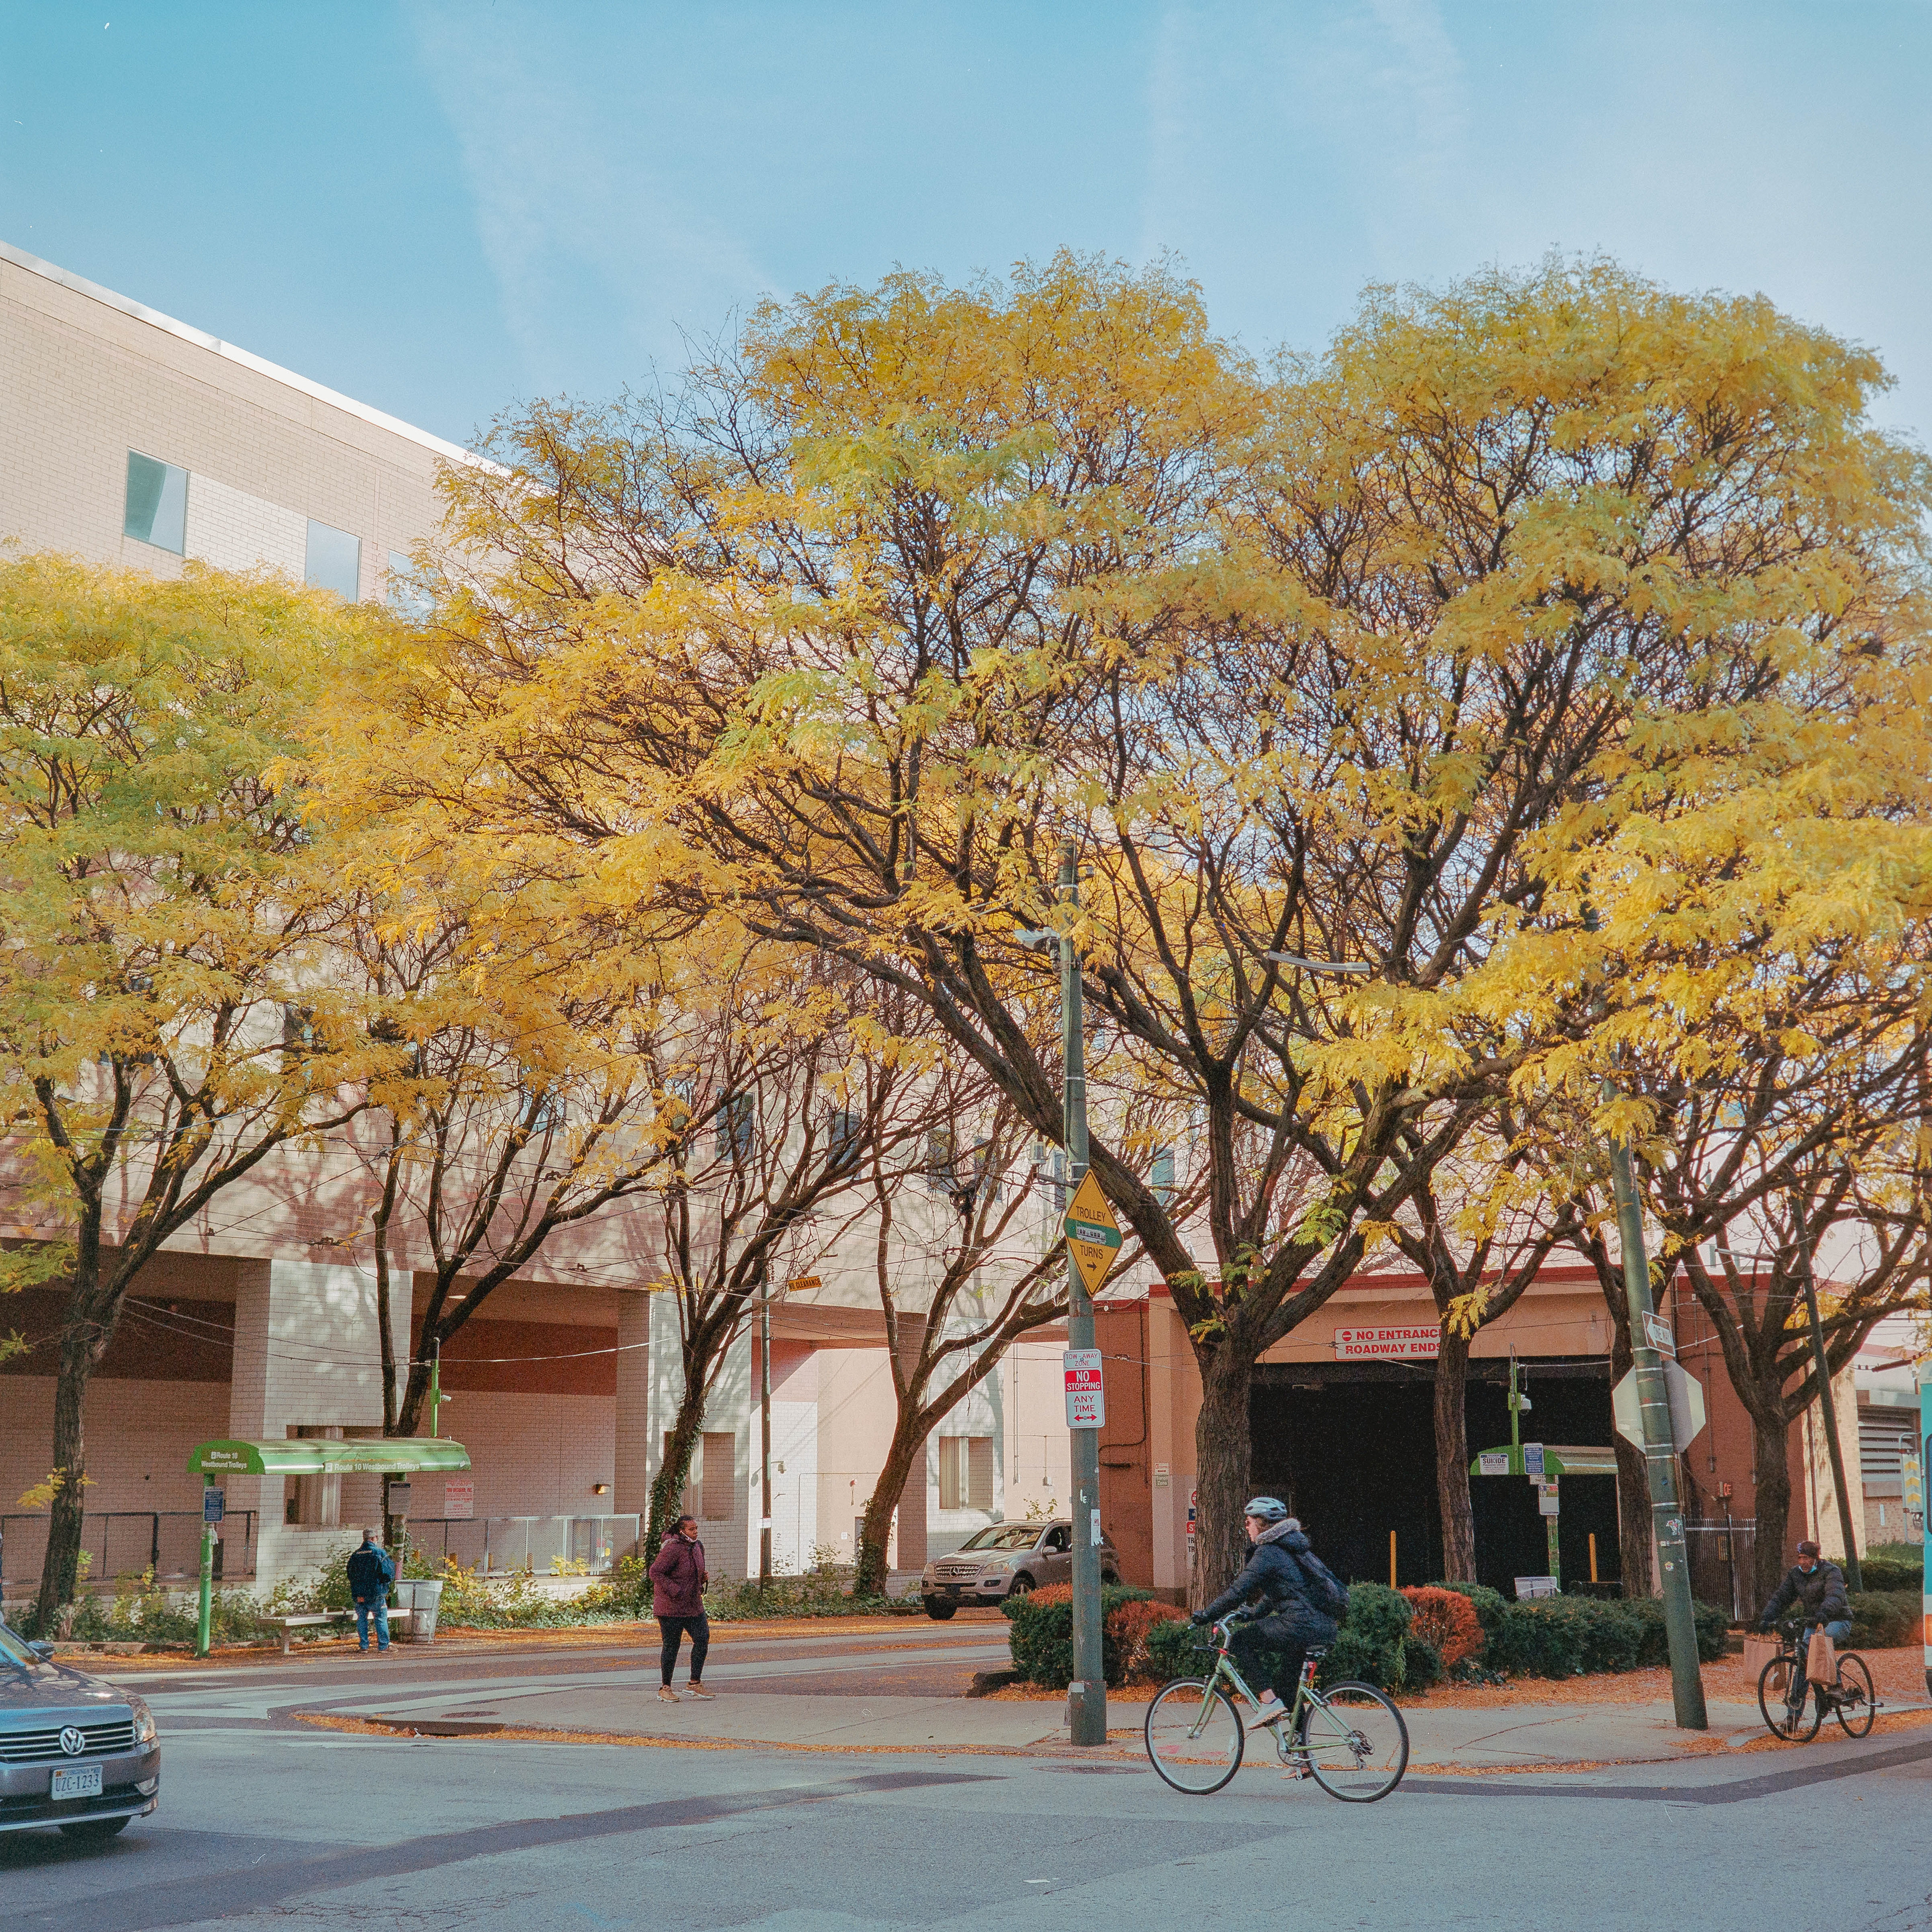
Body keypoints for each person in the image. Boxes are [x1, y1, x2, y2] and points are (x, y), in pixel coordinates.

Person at [1191, 1497, 1340, 1727]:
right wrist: (1252, 1614)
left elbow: (1238, 1591)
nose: (1247, 1527)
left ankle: (1268, 1702)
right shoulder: (1290, 1547)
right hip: (1323, 1626)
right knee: (1288, 1690)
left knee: (1240, 1641)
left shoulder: (1269, 1552)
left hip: (1299, 1625)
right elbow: (1281, 1591)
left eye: (1249, 1522)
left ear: (1261, 1523)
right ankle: (1301, 1756)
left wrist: (1207, 1614)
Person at [1758, 1539, 1851, 1706]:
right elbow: (1782, 1598)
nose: (1803, 1562)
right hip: (1813, 1623)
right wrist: (1767, 1618)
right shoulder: (1796, 1574)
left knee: (1820, 1641)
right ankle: (1793, 1717)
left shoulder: (1831, 1571)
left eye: (1806, 1558)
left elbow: (1835, 1596)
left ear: (1816, 1558)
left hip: (1836, 1620)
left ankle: (1836, 1686)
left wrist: (1824, 1613)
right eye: (1800, 1558)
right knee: (1802, 1657)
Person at [649, 1514, 715, 1703]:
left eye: (696, 1529)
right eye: (691, 1529)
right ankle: (665, 1687)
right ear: (681, 1531)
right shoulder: (672, 1549)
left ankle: (695, 1683)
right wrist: (675, 1590)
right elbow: (655, 1572)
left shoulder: (697, 1547)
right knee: (672, 1645)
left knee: (702, 1638)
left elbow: (691, 1571)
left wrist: (702, 1578)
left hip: (693, 1604)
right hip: (671, 1606)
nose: (695, 1532)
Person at [346, 1529, 395, 1654]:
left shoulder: (355, 1555)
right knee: (380, 1618)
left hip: (359, 1594)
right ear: (374, 1538)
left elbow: (350, 1574)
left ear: (364, 1539)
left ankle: (364, 1646)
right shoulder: (379, 1553)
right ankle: (383, 1646)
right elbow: (388, 1573)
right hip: (376, 1593)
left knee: (362, 1619)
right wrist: (384, 1586)